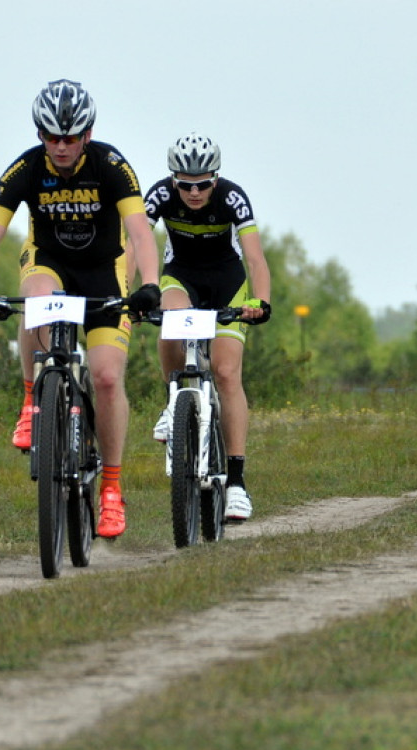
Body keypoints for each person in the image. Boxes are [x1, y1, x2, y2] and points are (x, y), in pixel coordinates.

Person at [0, 79, 162, 538]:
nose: (62, 146)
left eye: (70, 138)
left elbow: (141, 233)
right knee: (38, 302)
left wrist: (149, 284)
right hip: (49, 262)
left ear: (87, 134)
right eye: (52, 138)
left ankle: (110, 489)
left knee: (108, 378)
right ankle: (33, 400)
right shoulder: (25, 170)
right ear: (40, 135)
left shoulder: (111, 164)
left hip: (103, 271)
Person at [142, 133, 271, 522]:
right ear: (173, 180)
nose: (194, 192)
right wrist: (131, 294)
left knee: (227, 372)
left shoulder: (233, 197)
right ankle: (172, 401)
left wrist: (260, 302)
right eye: (185, 184)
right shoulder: (159, 196)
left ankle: (236, 482)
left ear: (216, 179)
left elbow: (255, 257)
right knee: (169, 317)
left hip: (227, 283)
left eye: (202, 184)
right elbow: (135, 246)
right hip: (181, 276)